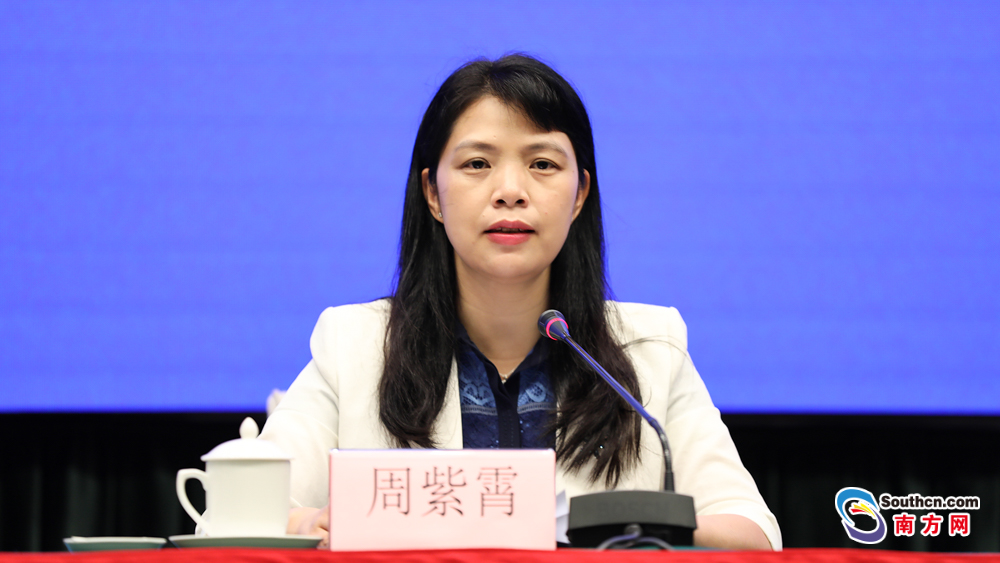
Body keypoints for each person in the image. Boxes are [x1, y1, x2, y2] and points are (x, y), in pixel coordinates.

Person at [259, 54, 780, 550]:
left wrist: (631, 527)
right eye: (478, 163)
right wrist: (307, 523)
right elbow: (247, 509)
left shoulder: (650, 351)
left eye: (542, 164)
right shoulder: (355, 345)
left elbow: (752, 532)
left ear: (579, 195)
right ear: (433, 194)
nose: (510, 191)